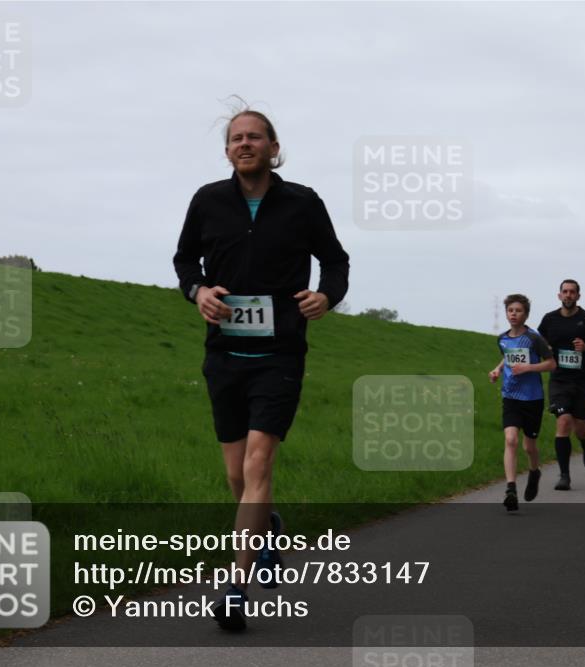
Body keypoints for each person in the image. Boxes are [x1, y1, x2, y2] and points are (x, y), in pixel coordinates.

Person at [173, 107, 350, 631]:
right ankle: (267, 527)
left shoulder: (302, 202)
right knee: (236, 474)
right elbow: (185, 261)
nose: (245, 144)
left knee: (257, 466)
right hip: (224, 354)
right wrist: (198, 291)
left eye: (254, 137)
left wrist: (326, 295)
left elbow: (336, 261)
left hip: (281, 354)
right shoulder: (208, 201)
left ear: (274, 147)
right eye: (236, 138)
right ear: (227, 150)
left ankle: (235, 587)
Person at [536, 279, 585, 490]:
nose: (568, 295)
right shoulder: (550, 319)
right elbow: (540, 341)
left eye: (572, 292)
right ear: (559, 295)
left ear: (578, 296)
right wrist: (545, 349)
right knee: (564, 421)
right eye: (564, 292)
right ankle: (564, 475)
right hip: (559, 379)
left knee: (580, 426)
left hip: (584, 380)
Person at [489, 295, 556, 511]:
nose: (513, 314)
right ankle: (511, 489)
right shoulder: (502, 339)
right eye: (510, 310)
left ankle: (534, 472)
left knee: (529, 446)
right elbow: (508, 356)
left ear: (526, 314)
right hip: (510, 396)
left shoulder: (534, 338)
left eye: (518, 310)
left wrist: (528, 368)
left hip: (532, 398)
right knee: (510, 440)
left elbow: (551, 364)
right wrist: (498, 369)